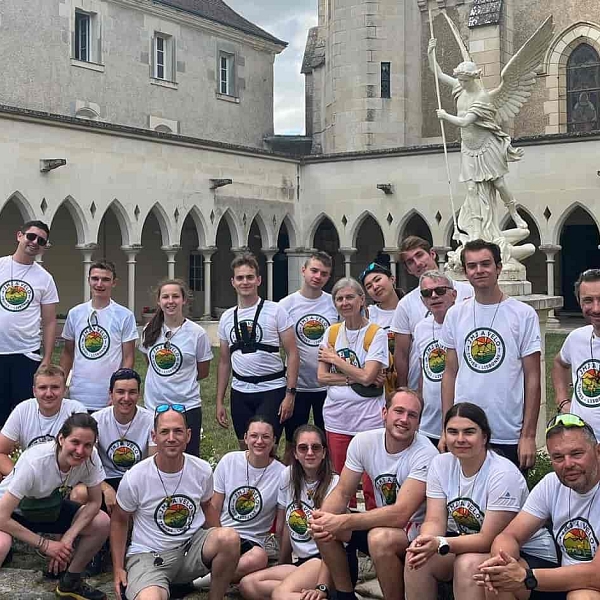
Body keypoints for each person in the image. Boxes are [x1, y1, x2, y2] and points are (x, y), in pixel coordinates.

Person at [405, 403, 557, 600]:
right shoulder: (440, 464)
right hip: (473, 545)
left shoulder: (502, 473)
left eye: (469, 432)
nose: (460, 439)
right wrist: (425, 542)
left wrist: (440, 542)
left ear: (484, 437)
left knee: (468, 564)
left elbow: (488, 539)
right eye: (452, 432)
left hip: (527, 553)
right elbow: (434, 520)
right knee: (418, 559)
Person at [310, 389, 439, 600]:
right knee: (323, 523)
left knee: (379, 538)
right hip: (382, 523)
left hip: (415, 531)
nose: (404, 419)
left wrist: (344, 521)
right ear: (384, 413)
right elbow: (342, 492)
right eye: (398, 411)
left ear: (418, 423)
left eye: (412, 415)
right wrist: (323, 519)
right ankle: (345, 594)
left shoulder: (426, 454)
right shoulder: (364, 442)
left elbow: (401, 514)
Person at [110, 404, 240, 600]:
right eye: (165, 432)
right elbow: (119, 520)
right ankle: (156, 586)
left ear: (188, 436)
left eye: (178, 431)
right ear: (154, 437)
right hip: (150, 555)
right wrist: (118, 568)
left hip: (190, 549)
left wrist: (225, 547)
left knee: (229, 538)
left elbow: (207, 506)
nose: (171, 438)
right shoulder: (135, 477)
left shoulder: (202, 469)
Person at [475, 413, 600, 599]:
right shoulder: (551, 483)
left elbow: (596, 575)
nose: (568, 464)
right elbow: (509, 535)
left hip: (591, 584)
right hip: (564, 578)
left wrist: (527, 577)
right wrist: (505, 563)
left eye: (576, 454)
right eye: (558, 457)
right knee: (498, 577)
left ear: (598, 452)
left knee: (581, 597)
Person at [440, 239, 541, 470]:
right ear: (465, 272)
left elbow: (533, 377)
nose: (479, 270)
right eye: (472, 266)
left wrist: (528, 435)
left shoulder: (523, 315)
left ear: (499, 268)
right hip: (464, 430)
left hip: (506, 432)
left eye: (485, 264)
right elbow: (450, 373)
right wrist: (446, 429)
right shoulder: (455, 315)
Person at [0, 413, 109, 600]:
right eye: (75, 442)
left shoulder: (91, 459)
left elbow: (95, 502)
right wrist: (45, 544)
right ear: (61, 438)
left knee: (101, 521)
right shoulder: (35, 461)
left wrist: (68, 537)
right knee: (2, 545)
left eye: (87, 445)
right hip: (12, 511)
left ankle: (71, 582)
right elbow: (2, 516)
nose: (80, 450)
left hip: (49, 508)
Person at [238, 424, 339, 600]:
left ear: (324, 452)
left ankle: (320, 594)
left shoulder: (334, 484)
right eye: (303, 448)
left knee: (280, 593)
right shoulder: (288, 475)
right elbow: (285, 525)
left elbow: (333, 544)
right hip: (302, 563)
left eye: (315, 447)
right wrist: (283, 561)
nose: (309, 452)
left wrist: (321, 586)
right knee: (248, 585)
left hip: (328, 563)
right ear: (295, 453)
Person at [317, 276, 389, 510]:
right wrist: (354, 377)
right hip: (337, 418)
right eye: (339, 298)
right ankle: (344, 534)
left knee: (372, 481)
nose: (344, 302)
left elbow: (370, 377)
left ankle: (371, 533)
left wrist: (336, 360)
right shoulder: (331, 333)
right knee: (341, 481)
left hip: (368, 418)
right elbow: (322, 377)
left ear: (361, 300)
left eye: (350, 297)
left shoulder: (376, 333)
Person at [216, 253, 299, 446]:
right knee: (245, 447)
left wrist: (290, 394)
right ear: (233, 282)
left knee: (266, 448)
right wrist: (220, 401)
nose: (245, 282)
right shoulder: (227, 317)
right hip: (240, 391)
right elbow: (224, 361)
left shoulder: (276, 310)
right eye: (240, 278)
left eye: (250, 277)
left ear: (259, 280)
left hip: (272, 390)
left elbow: (293, 353)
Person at [140, 278, 212, 457]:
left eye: (175, 296)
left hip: (187, 407)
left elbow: (202, 371)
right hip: (154, 408)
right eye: (165, 297)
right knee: (156, 461)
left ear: (184, 300)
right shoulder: (149, 330)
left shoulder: (197, 333)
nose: (170, 301)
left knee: (189, 459)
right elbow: (149, 363)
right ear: (159, 301)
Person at [209, 416, 286, 583]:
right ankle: (219, 572)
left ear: (274, 441)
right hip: (223, 533)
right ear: (245, 438)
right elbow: (214, 507)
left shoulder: (282, 473)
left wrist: (284, 557)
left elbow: (281, 523)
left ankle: (200, 582)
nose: (259, 441)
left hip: (252, 541)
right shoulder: (229, 461)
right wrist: (216, 536)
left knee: (258, 558)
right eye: (254, 436)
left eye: (266, 437)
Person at [391, 236, 472, 391]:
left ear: (433, 254)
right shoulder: (405, 305)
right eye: (410, 262)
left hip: (464, 383)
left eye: (420, 255)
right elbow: (401, 354)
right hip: (424, 386)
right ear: (408, 269)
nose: (418, 263)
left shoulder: (468, 292)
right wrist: (403, 390)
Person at [70, 368, 155, 513]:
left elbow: (154, 463)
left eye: (132, 392)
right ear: (111, 394)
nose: (126, 398)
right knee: (79, 494)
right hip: (104, 478)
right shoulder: (97, 420)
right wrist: (106, 488)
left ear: (138, 394)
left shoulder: (151, 420)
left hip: (139, 480)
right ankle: (89, 529)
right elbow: (87, 463)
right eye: (120, 392)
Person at [279, 251, 337, 463]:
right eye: (314, 270)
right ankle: (290, 484)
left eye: (324, 273)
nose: (317, 276)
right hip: (298, 385)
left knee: (327, 441)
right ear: (303, 270)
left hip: (328, 385)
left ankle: (326, 484)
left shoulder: (334, 303)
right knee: (293, 442)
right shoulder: (286, 305)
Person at [0, 220, 58, 427]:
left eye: (41, 241)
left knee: (22, 414)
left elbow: (50, 321)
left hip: (26, 354)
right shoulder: (1, 266)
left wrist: (47, 357)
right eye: (31, 236)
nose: (35, 242)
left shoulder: (45, 278)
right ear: (19, 236)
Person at [60, 260, 138, 412]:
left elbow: (128, 358)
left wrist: (119, 391)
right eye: (95, 278)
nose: (99, 284)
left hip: (108, 397)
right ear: (88, 280)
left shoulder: (125, 316)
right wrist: (61, 384)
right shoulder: (75, 313)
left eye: (105, 279)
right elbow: (68, 353)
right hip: (79, 395)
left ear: (114, 283)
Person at [0, 364, 86, 476]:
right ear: (34, 391)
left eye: (55, 387)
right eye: (43, 388)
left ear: (64, 390)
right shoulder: (23, 409)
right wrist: (19, 476)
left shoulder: (76, 410)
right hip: (30, 476)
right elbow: (1, 451)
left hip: (66, 478)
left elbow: (85, 453)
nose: (49, 393)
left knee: (80, 493)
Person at [552, 269, 600, 437]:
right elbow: (559, 363)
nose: (596, 308)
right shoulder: (576, 339)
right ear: (579, 302)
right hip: (583, 444)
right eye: (588, 300)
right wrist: (563, 401)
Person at [413, 270, 457, 444]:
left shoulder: (464, 324)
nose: (433, 296)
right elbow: (424, 373)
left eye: (440, 291)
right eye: (427, 293)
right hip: (428, 424)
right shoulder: (420, 328)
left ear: (453, 294)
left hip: (459, 421)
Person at [360, 261, 402, 354]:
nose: (375, 287)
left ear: (392, 279)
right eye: (369, 286)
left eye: (378, 279)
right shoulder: (368, 315)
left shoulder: (409, 306)